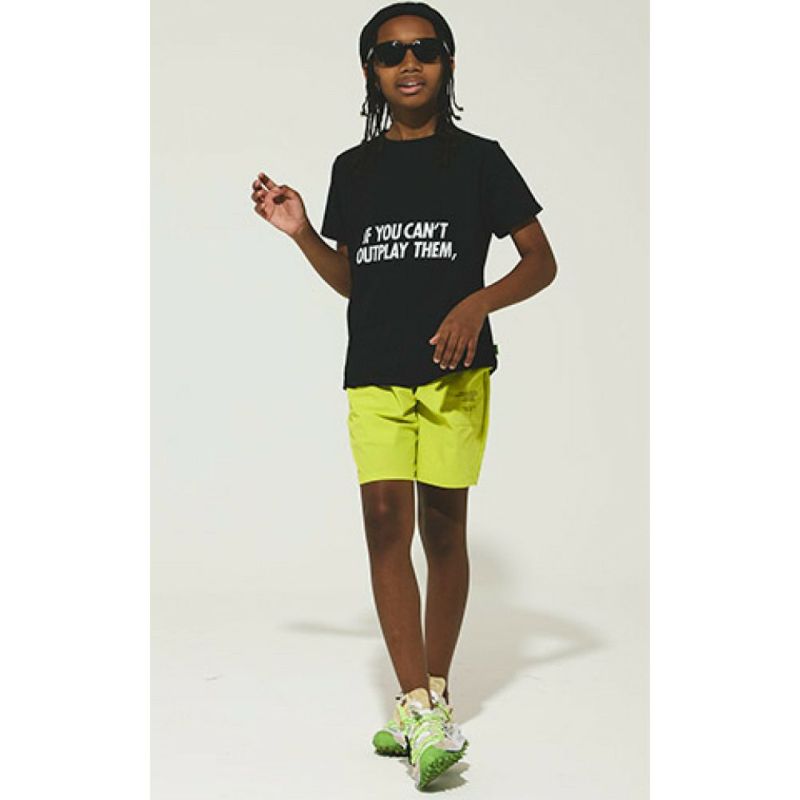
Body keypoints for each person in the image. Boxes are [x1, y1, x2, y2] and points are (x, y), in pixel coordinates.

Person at [250, 2, 557, 789]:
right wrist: (302, 233)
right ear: (370, 71)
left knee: (443, 531)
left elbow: (540, 261)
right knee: (386, 524)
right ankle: (418, 707)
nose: (408, 62)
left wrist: (476, 303)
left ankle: (436, 692)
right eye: (390, 53)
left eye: (424, 48)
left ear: (448, 61)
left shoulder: (481, 161)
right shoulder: (354, 169)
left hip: (457, 374)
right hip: (375, 370)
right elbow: (357, 280)